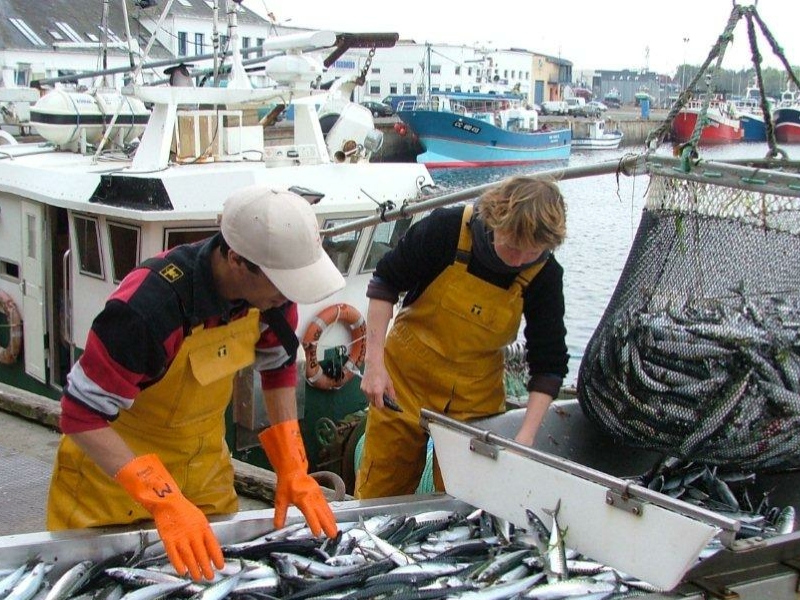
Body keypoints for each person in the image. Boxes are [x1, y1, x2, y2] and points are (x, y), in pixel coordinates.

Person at [47, 185, 345, 581]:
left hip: (205, 476)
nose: (289, 297)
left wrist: (292, 466)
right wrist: (164, 500)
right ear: (238, 260)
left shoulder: (271, 295)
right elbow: (79, 416)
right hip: (111, 490)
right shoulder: (146, 310)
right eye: (282, 285)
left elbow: (278, 366)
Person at [355, 176, 569, 499]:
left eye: (532, 252)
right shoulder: (448, 228)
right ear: (496, 219)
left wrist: (525, 438)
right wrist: (374, 365)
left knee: (466, 501)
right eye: (511, 245)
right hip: (402, 383)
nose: (518, 260)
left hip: (474, 399)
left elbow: (549, 364)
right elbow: (385, 282)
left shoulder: (544, 275)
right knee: (379, 489)